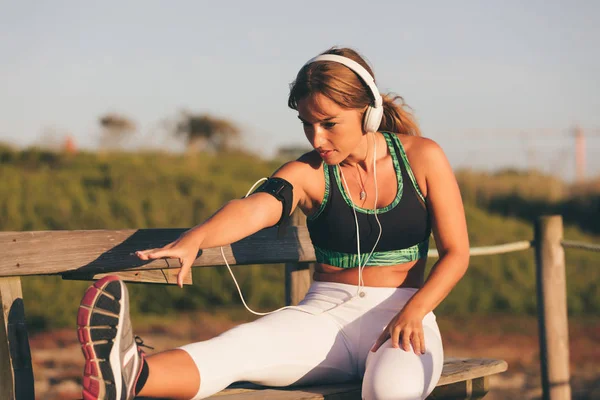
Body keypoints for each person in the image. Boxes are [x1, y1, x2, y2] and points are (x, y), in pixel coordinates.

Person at [76, 47, 469, 400]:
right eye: (306, 124)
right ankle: (131, 374)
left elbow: (456, 254)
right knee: (233, 350)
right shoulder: (308, 172)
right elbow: (255, 207)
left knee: (390, 391)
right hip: (323, 317)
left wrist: (416, 311)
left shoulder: (422, 157)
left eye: (329, 123)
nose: (316, 138)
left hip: (404, 316)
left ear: (368, 113)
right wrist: (196, 238)